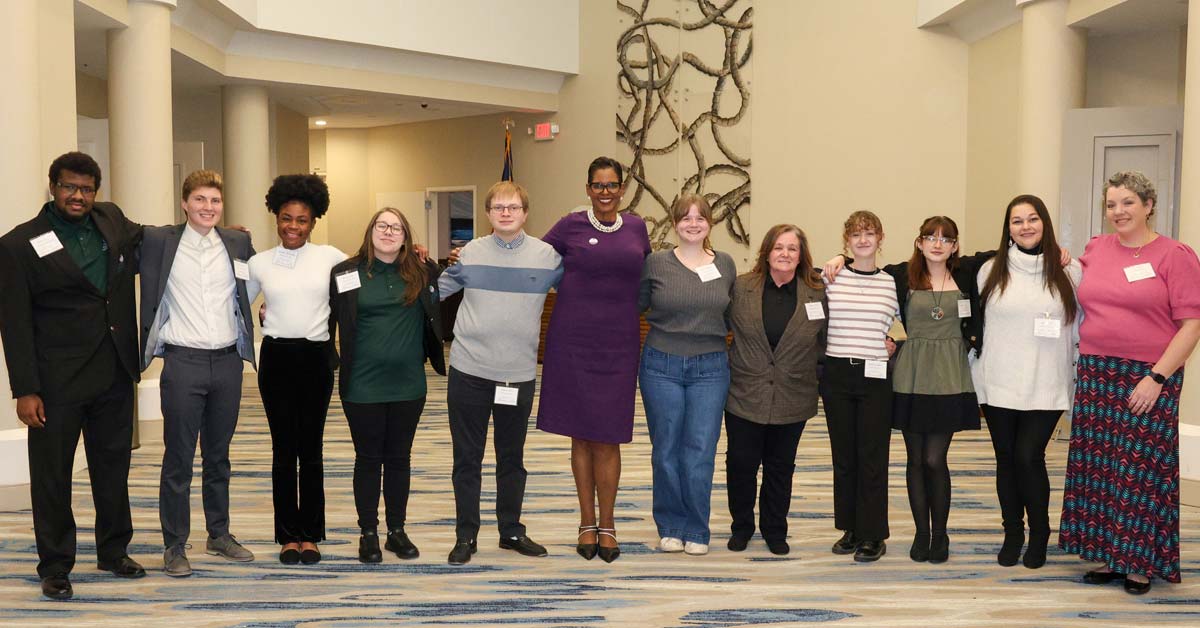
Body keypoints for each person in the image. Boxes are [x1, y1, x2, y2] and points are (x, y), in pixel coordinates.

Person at [0, 152, 145, 599]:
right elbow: (15, 323)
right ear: (52, 187)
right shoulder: (20, 244)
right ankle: (56, 564)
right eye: (69, 187)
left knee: (113, 467)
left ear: (96, 192)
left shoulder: (113, 221)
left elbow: (158, 240)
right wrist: (25, 390)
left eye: (86, 188)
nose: (78, 195)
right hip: (56, 381)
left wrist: (217, 237)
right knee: (52, 475)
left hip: (114, 371)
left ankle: (113, 549)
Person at [1059, 171, 1200, 595]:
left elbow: (1192, 324)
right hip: (1098, 375)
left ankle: (1139, 563)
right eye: (1111, 204)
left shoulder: (1174, 255)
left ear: (1148, 205)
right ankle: (1108, 555)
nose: (1118, 212)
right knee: (1101, 470)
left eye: (1127, 203)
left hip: (1148, 376)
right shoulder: (1096, 249)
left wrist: (1157, 377)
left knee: (1141, 471)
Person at [825, 216, 991, 564]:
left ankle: (939, 533)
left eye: (946, 239)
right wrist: (838, 259)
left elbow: (1003, 249)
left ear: (955, 245)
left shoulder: (966, 273)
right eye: (930, 237)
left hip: (948, 375)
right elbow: (861, 273)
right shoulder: (900, 276)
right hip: (911, 375)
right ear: (918, 242)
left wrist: (1060, 252)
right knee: (915, 459)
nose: (937, 244)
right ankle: (919, 532)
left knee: (935, 459)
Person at [437, 181, 562, 565]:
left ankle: (510, 529)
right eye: (498, 207)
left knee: (512, 458)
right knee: (467, 458)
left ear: (525, 213)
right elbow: (431, 292)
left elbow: (587, 290)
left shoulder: (549, 257)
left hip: (517, 374)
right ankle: (466, 535)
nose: (505, 212)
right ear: (488, 213)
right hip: (469, 370)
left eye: (513, 207)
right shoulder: (469, 253)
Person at [140, 169, 257, 577]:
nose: (208, 208)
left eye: (215, 201)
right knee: (178, 458)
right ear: (185, 203)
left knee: (219, 456)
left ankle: (218, 534)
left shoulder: (238, 241)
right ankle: (174, 545)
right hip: (183, 362)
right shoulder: (159, 241)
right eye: (201, 200)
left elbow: (254, 284)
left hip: (227, 363)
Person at [536, 156, 651, 562]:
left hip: (618, 344)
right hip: (572, 342)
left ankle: (609, 523)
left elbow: (650, 275)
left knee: (609, 435)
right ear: (588, 189)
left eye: (612, 185)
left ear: (622, 188)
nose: (605, 192)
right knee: (580, 434)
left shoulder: (637, 227)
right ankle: (587, 523)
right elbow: (532, 259)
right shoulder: (569, 225)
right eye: (598, 186)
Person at [329, 207, 444, 565]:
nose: (389, 232)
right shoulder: (346, 272)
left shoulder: (423, 272)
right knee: (367, 459)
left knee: (399, 458)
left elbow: (449, 298)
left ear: (406, 236)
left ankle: (396, 530)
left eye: (397, 227)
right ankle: (368, 533)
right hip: (361, 385)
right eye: (383, 225)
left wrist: (430, 257)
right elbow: (324, 318)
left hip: (409, 385)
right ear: (370, 230)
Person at [972, 195, 1079, 570]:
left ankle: (1039, 533)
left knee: (1027, 457)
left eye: (1032, 219)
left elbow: (1082, 328)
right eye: (1017, 221)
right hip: (998, 381)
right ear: (1008, 229)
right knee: (1006, 460)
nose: (1026, 227)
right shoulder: (989, 271)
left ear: (1045, 224)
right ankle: (1012, 532)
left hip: (1046, 384)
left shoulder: (1070, 271)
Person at [247, 174, 346, 565]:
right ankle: (288, 535)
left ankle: (312, 534)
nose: (293, 226)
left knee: (313, 448)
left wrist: (416, 252)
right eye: (286, 218)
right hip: (276, 360)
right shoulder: (259, 263)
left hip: (316, 360)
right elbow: (233, 300)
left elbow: (370, 270)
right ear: (275, 217)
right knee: (283, 450)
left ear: (314, 221)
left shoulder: (331, 258)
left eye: (301, 220)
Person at [638, 194, 735, 556]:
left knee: (699, 451)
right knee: (666, 450)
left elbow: (731, 315)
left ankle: (696, 527)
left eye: (700, 218)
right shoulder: (655, 263)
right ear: (674, 223)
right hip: (661, 364)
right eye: (685, 218)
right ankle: (670, 526)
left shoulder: (725, 264)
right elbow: (634, 304)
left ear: (710, 223)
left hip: (710, 368)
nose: (692, 223)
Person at [724, 224, 826, 556]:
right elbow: (715, 324)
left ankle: (774, 529)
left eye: (792, 249)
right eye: (779, 247)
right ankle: (741, 526)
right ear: (767, 252)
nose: (785, 254)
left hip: (792, 395)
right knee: (741, 463)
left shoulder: (817, 291)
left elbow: (827, 341)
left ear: (802, 256)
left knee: (780, 467)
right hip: (745, 392)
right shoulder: (741, 287)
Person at [819, 211, 899, 563]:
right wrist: (837, 260)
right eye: (855, 235)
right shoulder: (831, 276)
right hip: (837, 374)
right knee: (844, 457)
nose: (863, 240)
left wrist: (895, 340)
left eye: (869, 234)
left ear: (881, 238)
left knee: (872, 456)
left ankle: (873, 534)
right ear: (846, 241)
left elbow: (904, 322)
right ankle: (850, 527)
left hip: (875, 375)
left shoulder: (893, 281)